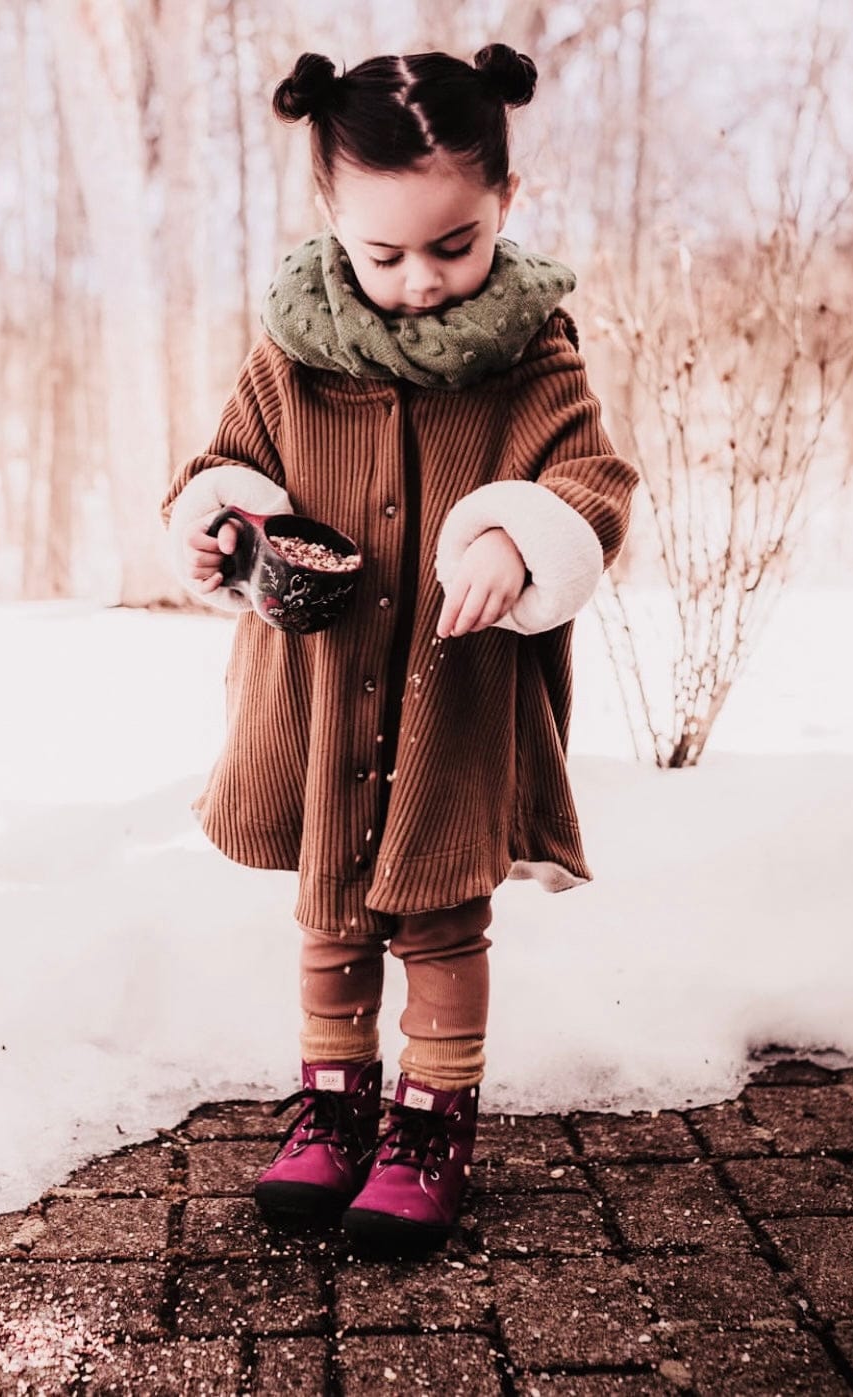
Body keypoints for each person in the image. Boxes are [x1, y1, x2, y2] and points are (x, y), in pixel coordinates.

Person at [161, 44, 638, 1254]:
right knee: (331, 913)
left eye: (454, 245)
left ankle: (432, 1124)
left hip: (454, 697)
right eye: (384, 254)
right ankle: (333, 1107)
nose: (419, 280)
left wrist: (519, 535)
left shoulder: (534, 349)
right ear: (333, 217)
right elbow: (228, 461)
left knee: (438, 916)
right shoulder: (291, 346)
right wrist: (221, 523)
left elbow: (591, 478)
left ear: (505, 208)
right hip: (319, 688)